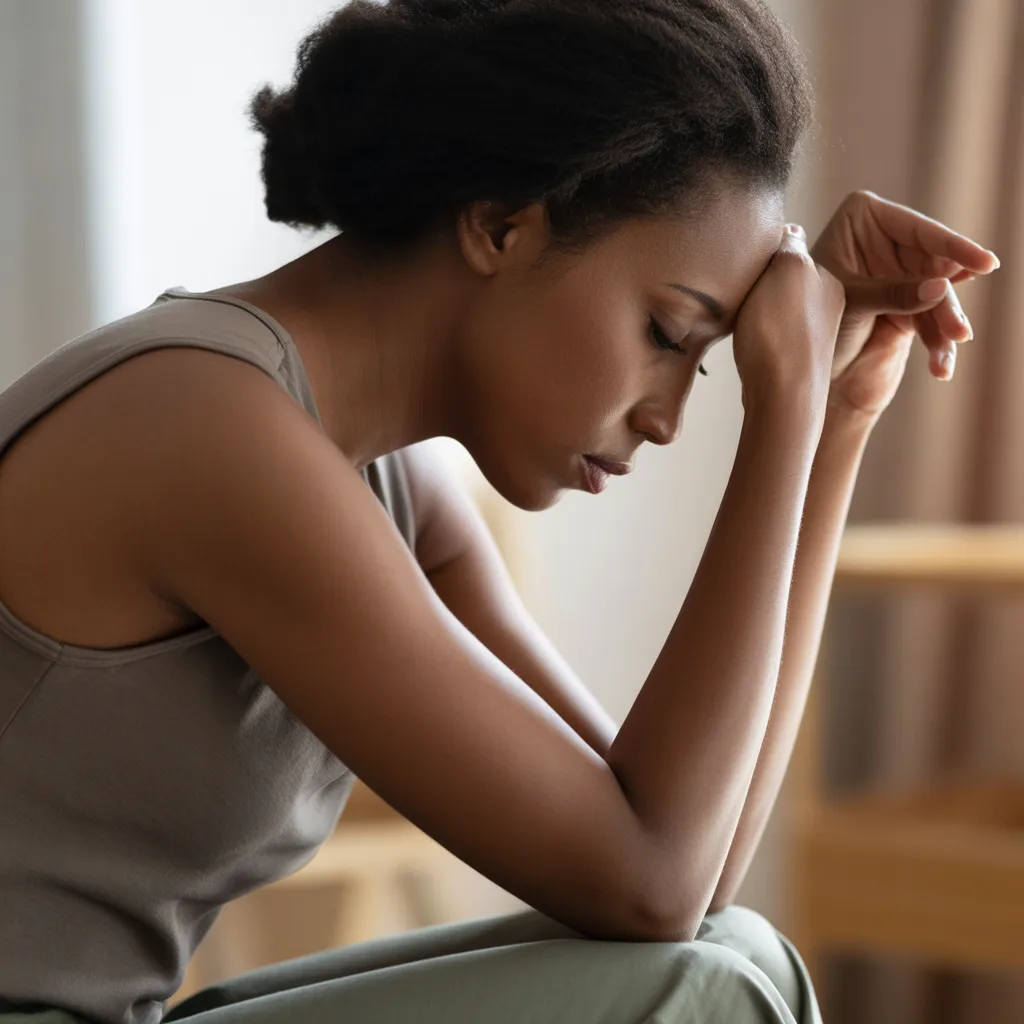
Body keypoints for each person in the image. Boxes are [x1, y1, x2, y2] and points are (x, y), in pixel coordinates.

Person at [0, 1, 999, 1023]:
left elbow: (693, 870)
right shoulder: (208, 430)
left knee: (727, 957)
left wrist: (830, 418)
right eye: (668, 330)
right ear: (502, 223)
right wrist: (775, 412)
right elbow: (650, 879)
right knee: (717, 986)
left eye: (705, 363)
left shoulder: (390, 490)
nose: (666, 418)